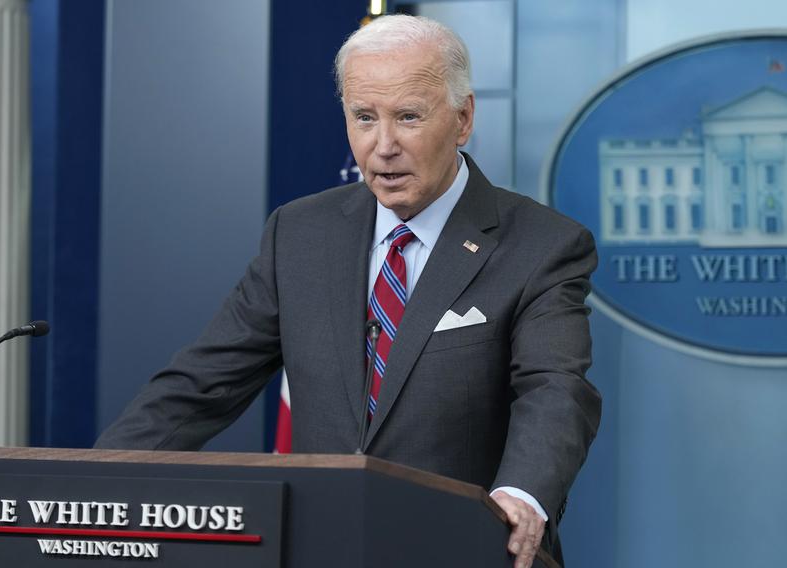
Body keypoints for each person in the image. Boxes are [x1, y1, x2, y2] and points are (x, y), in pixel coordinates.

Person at [96, 14, 601, 568]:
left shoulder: (542, 244)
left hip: (468, 548)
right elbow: (203, 383)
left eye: (408, 116)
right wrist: (93, 480)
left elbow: (555, 390)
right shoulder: (301, 234)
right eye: (364, 117)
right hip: (322, 546)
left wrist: (521, 496)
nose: (383, 146)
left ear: (462, 119)